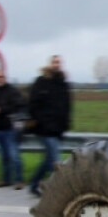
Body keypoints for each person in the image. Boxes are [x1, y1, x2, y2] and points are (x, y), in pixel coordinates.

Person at [27, 55, 72, 196]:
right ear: (50, 64)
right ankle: (59, 192)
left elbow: (67, 106)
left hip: (57, 129)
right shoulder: (41, 82)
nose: (56, 64)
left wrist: (65, 124)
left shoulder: (63, 84)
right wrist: (40, 121)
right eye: (54, 62)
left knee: (48, 160)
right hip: (44, 129)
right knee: (55, 161)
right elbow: (33, 104)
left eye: (58, 62)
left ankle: (34, 184)